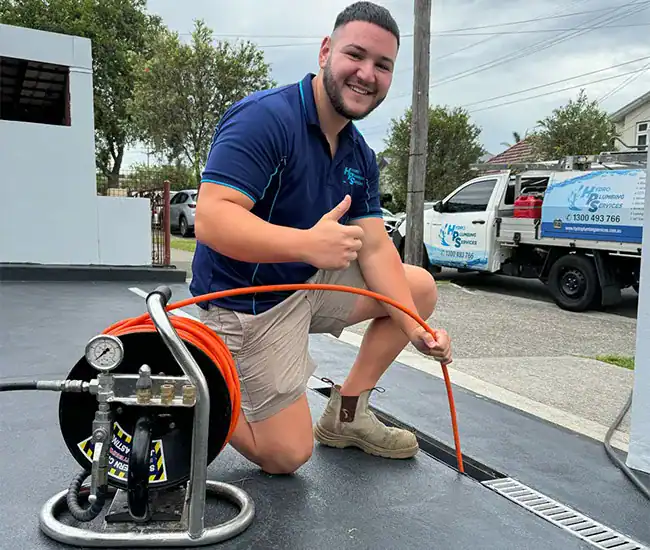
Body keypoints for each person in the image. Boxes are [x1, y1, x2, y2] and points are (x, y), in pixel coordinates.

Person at [190, 1, 452, 475]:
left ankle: (346, 416)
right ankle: (197, 381)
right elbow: (212, 219)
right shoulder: (264, 119)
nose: (367, 74)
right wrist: (306, 246)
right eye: (356, 55)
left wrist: (417, 331)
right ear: (325, 52)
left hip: (306, 284)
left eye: (383, 66)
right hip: (248, 303)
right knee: (286, 456)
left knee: (417, 291)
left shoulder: (359, 152)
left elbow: (374, 247)